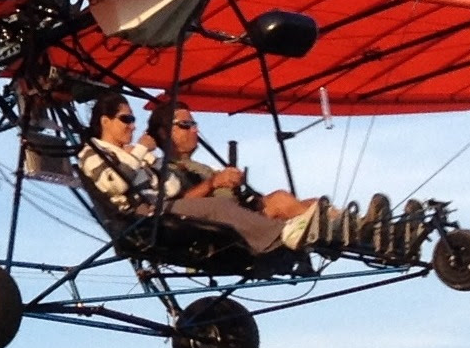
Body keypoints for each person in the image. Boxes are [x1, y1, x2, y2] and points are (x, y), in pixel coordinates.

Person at [77, 93, 310, 255]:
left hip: (159, 206)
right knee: (217, 207)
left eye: (133, 119)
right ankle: (282, 235)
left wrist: (149, 162)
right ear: (105, 121)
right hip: (139, 218)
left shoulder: (130, 155)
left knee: (279, 198)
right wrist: (140, 151)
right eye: (126, 119)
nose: (132, 125)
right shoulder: (92, 153)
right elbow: (116, 184)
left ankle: (321, 222)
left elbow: (171, 187)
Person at [145, 102, 348, 251]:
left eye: (194, 123)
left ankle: (345, 226)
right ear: (164, 132)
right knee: (287, 207)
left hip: (241, 216)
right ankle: (316, 230)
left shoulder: (201, 167)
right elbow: (173, 207)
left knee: (289, 200)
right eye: (186, 124)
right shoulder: (160, 168)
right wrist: (213, 183)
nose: (195, 129)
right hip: (208, 230)